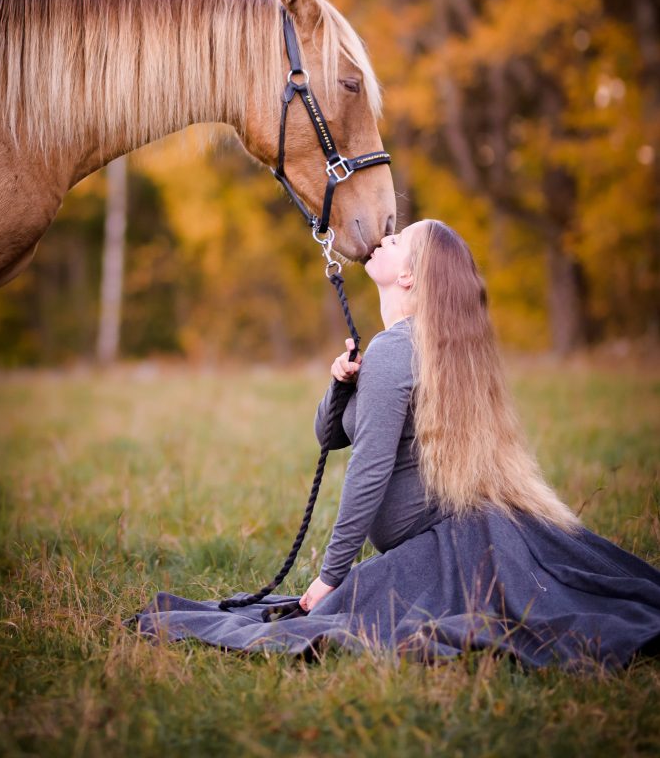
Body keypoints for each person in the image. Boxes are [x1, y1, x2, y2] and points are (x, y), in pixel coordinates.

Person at [127, 220, 660, 669]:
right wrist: (340, 386)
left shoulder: (395, 351)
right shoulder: (413, 348)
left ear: (409, 275)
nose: (384, 236)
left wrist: (328, 576)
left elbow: (369, 469)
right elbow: (329, 435)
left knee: (331, 616)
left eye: (399, 238)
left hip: (447, 549)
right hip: (469, 535)